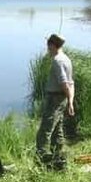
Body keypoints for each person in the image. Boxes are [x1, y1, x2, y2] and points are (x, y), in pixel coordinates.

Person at [36, 34, 75, 170]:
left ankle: (41, 158)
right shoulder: (67, 59)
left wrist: (69, 100)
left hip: (55, 98)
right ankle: (58, 155)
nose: (47, 49)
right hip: (62, 98)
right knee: (57, 129)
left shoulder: (58, 61)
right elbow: (71, 83)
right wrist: (70, 101)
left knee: (44, 130)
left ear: (52, 45)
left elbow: (64, 82)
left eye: (48, 46)